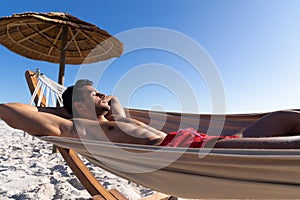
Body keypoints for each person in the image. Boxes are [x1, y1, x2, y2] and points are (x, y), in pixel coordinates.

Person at [0, 79, 299, 149]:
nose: (105, 95)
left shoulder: (117, 119)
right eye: (95, 94)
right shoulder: (83, 131)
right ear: (78, 107)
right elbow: (8, 110)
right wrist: (63, 110)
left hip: (210, 140)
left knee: (287, 116)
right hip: (199, 152)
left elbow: (114, 99)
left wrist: (87, 97)